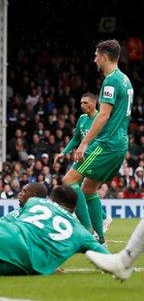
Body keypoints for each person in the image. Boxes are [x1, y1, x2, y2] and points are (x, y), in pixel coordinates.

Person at [61, 40, 133, 245]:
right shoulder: (125, 80)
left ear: (104, 56)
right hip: (119, 144)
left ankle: (87, 231)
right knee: (88, 189)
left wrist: (83, 144)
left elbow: (103, 116)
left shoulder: (110, 81)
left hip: (106, 144)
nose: (94, 59)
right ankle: (99, 238)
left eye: (96, 55)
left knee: (68, 181)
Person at [54, 93, 111, 235]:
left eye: (85, 103)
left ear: (94, 103)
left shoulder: (102, 119)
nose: (82, 106)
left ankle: (88, 226)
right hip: (83, 158)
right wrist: (63, 152)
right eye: (81, 103)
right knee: (81, 189)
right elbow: (75, 139)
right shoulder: (82, 119)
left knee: (71, 183)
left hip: (97, 158)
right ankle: (103, 218)